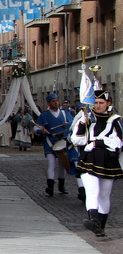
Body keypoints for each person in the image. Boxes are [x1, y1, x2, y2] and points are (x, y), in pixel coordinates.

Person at [71, 91, 123, 237]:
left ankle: (101, 227)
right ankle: (93, 221)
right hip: (89, 159)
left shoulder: (116, 120)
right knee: (92, 192)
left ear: (108, 103)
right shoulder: (87, 118)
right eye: (96, 102)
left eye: (101, 103)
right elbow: (77, 139)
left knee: (104, 195)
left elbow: (119, 141)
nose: (98, 105)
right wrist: (83, 123)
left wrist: (98, 142)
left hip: (108, 160)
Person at [36, 93, 82, 199]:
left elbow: (74, 123)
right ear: (49, 103)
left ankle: (61, 186)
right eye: (53, 101)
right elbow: (36, 128)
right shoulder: (44, 115)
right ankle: (50, 186)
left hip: (63, 141)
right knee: (51, 163)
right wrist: (41, 130)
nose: (56, 102)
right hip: (50, 142)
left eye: (57, 100)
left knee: (62, 164)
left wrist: (69, 124)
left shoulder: (65, 113)